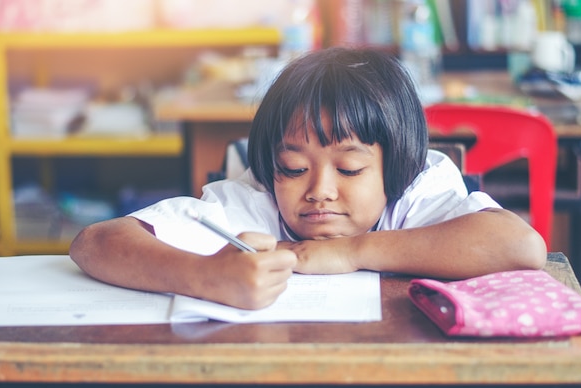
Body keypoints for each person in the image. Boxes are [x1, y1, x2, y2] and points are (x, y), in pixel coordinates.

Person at [70, 47, 547, 310]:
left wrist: (348, 251)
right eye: (294, 168)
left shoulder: (415, 190)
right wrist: (205, 276)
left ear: (396, 164)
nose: (319, 190)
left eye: (350, 168)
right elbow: (94, 243)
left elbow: (521, 247)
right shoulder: (255, 200)